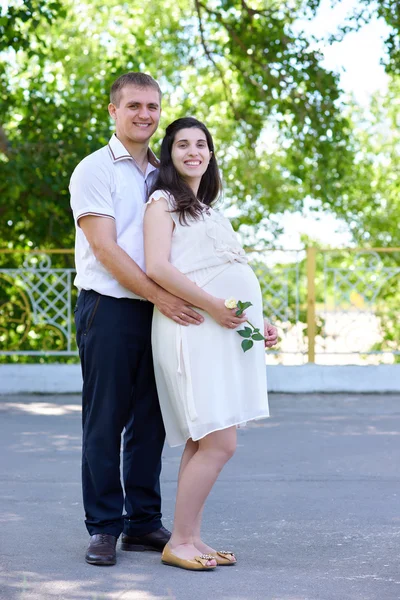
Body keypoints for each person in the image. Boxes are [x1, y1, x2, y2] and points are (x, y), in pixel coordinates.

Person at [69, 73, 206, 566]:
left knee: (151, 420)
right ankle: (103, 526)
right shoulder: (94, 170)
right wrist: (160, 298)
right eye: (133, 106)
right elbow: (105, 249)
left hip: (161, 313)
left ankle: (142, 523)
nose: (145, 115)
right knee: (105, 421)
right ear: (113, 111)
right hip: (109, 309)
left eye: (152, 106)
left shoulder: (165, 174)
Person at [144, 117, 277, 571]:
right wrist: (215, 308)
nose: (193, 151)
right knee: (220, 442)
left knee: (203, 441)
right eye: (182, 144)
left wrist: (260, 324)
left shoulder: (209, 209)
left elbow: (227, 269)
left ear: (211, 154)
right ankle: (178, 540)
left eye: (201, 144)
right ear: (169, 153)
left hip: (219, 329)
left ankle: (191, 538)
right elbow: (158, 267)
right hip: (193, 328)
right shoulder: (162, 203)